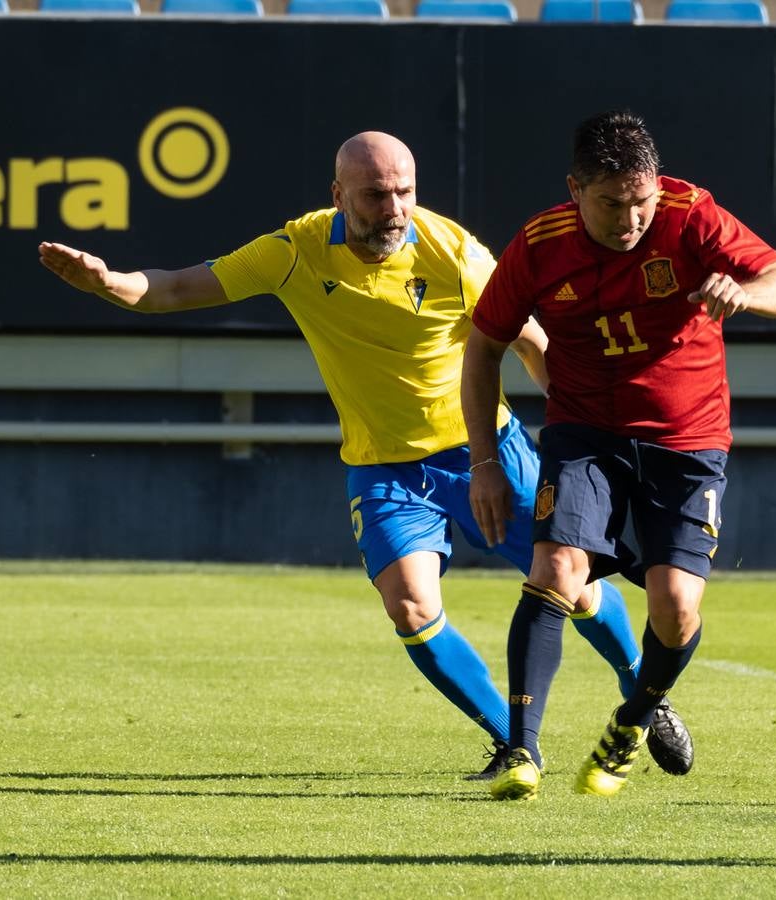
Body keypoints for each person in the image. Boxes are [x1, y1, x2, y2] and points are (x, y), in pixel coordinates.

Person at [37, 131, 691, 780]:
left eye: (404, 191)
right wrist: (110, 283)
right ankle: (515, 744)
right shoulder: (294, 251)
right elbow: (177, 289)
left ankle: (644, 690)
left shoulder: (454, 253)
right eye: (376, 194)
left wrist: (583, 435)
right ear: (338, 195)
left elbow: (531, 343)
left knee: (572, 586)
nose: (393, 208)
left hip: (483, 450)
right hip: (383, 469)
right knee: (409, 606)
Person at [462, 110, 776, 800]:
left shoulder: (691, 214)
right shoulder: (539, 243)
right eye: (611, 203)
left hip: (687, 443)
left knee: (676, 607)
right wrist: (484, 463)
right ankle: (521, 753)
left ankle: (633, 720)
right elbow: (483, 351)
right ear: (575, 190)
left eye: (641, 202)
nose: (630, 219)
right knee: (557, 568)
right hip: (585, 433)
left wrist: (744, 293)